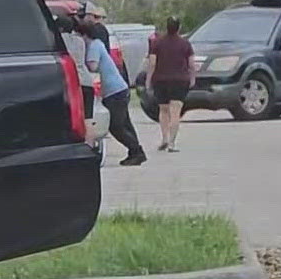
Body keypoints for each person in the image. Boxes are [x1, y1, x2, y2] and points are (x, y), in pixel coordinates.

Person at [76, 17, 147, 166]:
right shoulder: (99, 44)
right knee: (125, 123)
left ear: (85, 35)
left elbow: (93, 66)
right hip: (118, 89)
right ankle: (136, 152)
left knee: (116, 126)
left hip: (114, 91)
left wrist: (80, 63)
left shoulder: (94, 46)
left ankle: (135, 149)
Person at [143, 15, 194, 152]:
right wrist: (192, 78)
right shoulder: (185, 44)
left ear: (167, 26)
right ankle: (172, 143)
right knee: (175, 111)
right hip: (180, 80)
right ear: (179, 28)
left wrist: (148, 80)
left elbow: (152, 63)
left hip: (161, 80)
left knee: (163, 110)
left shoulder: (157, 43)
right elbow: (191, 64)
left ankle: (164, 138)